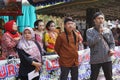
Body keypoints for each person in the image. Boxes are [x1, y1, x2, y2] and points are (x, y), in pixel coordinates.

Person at [86, 12, 115, 80]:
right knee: (93, 77)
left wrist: (111, 49)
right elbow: (90, 43)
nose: (101, 20)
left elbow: (112, 43)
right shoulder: (89, 31)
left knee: (109, 77)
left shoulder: (108, 30)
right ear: (94, 20)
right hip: (95, 59)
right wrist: (99, 34)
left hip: (107, 58)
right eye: (99, 18)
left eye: (102, 18)